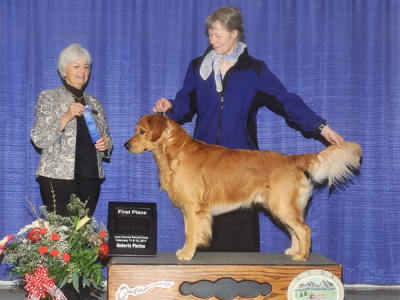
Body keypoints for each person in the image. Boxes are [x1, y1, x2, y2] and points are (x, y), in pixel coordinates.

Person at [153, 6, 344, 252]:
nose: (213, 41)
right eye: (210, 35)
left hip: (244, 169)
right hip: (203, 163)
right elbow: (184, 104)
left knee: (239, 246)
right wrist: (169, 107)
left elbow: (287, 102)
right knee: (201, 227)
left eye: (218, 35)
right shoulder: (197, 68)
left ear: (235, 33)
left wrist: (321, 127)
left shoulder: (255, 71)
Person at [31, 43, 113, 217]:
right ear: (63, 71)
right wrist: (66, 116)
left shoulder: (95, 103)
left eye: (86, 67)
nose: (82, 71)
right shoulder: (49, 97)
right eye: (76, 66)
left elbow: (106, 137)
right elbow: (39, 138)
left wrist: (106, 144)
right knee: (59, 237)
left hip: (91, 177)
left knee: (82, 237)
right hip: (56, 177)